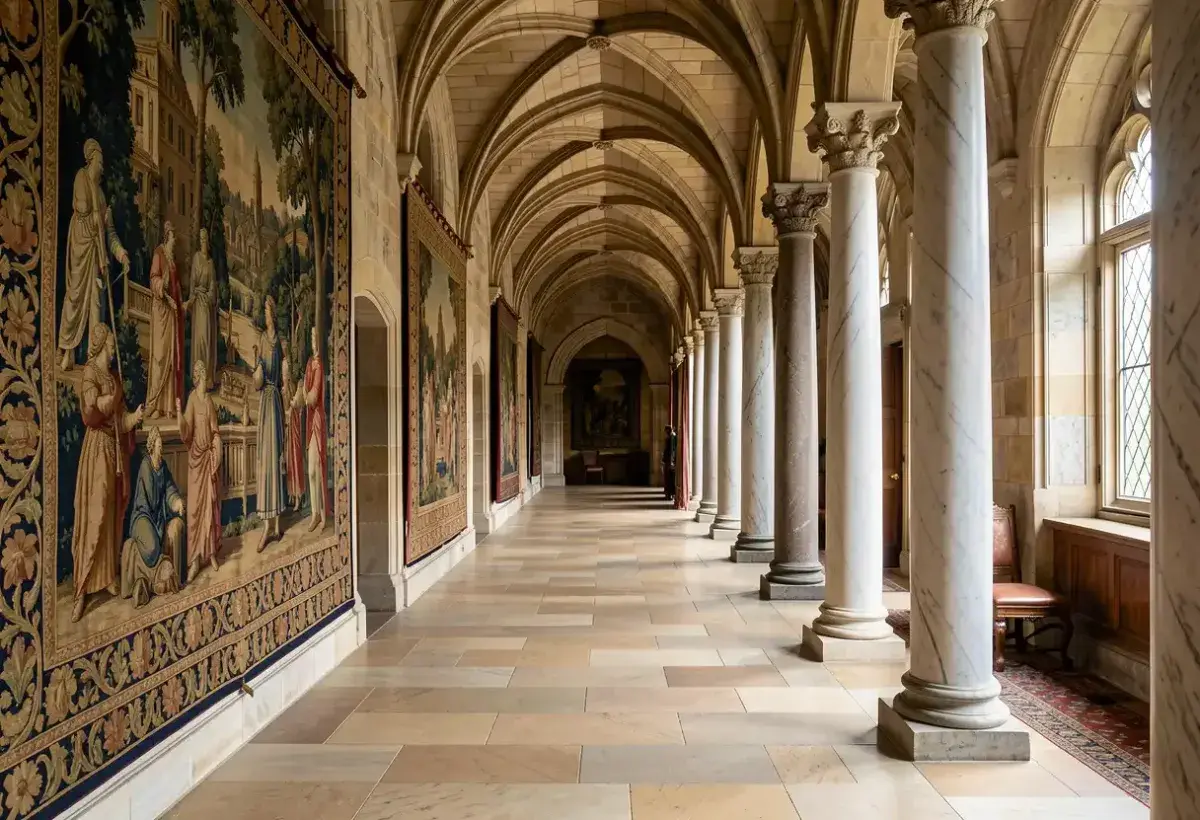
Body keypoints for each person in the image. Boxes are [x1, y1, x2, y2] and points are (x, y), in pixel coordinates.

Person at [71, 323, 145, 622]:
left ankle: (107, 577)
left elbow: (120, 420)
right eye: (110, 345)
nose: (113, 349)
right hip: (98, 449)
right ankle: (82, 588)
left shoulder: (113, 378)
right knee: (96, 513)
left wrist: (134, 417)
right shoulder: (90, 372)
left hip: (114, 451)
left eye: (114, 345)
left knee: (113, 513)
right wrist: (111, 399)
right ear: (100, 344)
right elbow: (92, 410)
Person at [59, 139, 130, 370]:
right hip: (82, 248)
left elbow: (109, 234)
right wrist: (99, 218)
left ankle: (91, 361)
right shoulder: (81, 178)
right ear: (91, 160)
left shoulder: (100, 194)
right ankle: (68, 352)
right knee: (75, 298)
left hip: (98, 256)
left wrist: (121, 255)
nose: (103, 167)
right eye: (100, 161)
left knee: (97, 307)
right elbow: (81, 209)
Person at [120, 426, 184, 607]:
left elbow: (170, 489)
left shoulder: (162, 466)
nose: (161, 448)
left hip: (157, 519)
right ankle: (150, 580)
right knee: (153, 546)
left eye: (161, 445)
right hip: (142, 516)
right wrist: (163, 505)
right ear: (152, 446)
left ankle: (145, 584)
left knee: (157, 542)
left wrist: (176, 501)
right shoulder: (145, 466)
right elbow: (148, 500)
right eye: (159, 445)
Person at [177, 359, 222, 582]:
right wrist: (178, 414)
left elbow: (215, 431)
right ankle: (195, 559)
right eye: (201, 373)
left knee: (210, 508)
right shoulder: (193, 400)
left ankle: (211, 552)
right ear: (199, 376)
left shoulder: (209, 401)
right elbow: (186, 430)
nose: (203, 376)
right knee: (195, 510)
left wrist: (216, 447)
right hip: (196, 461)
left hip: (207, 459)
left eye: (202, 372)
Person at [253, 297, 286, 551]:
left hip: (274, 401)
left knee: (274, 459)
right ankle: (267, 527)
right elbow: (257, 380)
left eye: (267, 312)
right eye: (264, 312)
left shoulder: (278, 342)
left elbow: (283, 380)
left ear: (273, 314)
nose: (266, 316)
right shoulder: (263, 340)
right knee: (265, 459)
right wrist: (257, 370)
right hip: (265, 402)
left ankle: (276, 524)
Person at [291, 326, 327, 532]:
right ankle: (315, 513)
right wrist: (301, 396)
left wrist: (305, 394)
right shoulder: (308, 365)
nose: (313, 340)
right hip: (309, 420)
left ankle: (322, 514)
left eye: (315, 336)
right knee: (311, 471)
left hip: (317, 421)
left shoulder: (319, 366)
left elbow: (312, 398)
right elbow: (302, 396)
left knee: (316, 469)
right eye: (311, 336)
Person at [146, 221, 183, 419]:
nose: (175, 241)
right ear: (167, 237)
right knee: (160, 357)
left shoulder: (173, 260)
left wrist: (180, 304)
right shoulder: (159, 254)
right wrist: (165, 293)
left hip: (171, 314)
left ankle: (168, 407)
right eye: (173, 237)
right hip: (160, 311)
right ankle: (155, 405)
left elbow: (176, 289)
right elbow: (154, 279)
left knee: (170, 359)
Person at [187, 228, 217, 385]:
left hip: (206, 305)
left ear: (208, 241)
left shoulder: (211, 263)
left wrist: (209, 297)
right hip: (198, 304)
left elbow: (213, 286)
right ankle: (197, 378)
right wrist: (192, 299)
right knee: (198, 340)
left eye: (205, 239)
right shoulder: (196, 258)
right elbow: (192, 282)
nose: (203, 242)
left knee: (206, 339)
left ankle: (207, 378)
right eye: (201, 239)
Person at [282, 340, 306, 511]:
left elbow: (296, 404)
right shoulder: (284, 389)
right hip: (288, 429)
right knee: (289, 461)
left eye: (286, 372)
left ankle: (298, 495)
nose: (284, 375)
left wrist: (291, 408)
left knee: (296, 459)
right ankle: (292, 493)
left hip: (295, 428)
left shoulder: (295, 386)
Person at [662, 424, 677, 500]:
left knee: (669, 478)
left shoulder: (671, 438)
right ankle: (669, 494)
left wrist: (671, 461)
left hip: (669, 461)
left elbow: (671, 450)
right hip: (668, 460)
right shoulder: (670, 438)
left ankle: (670, 494)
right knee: (668, 478)